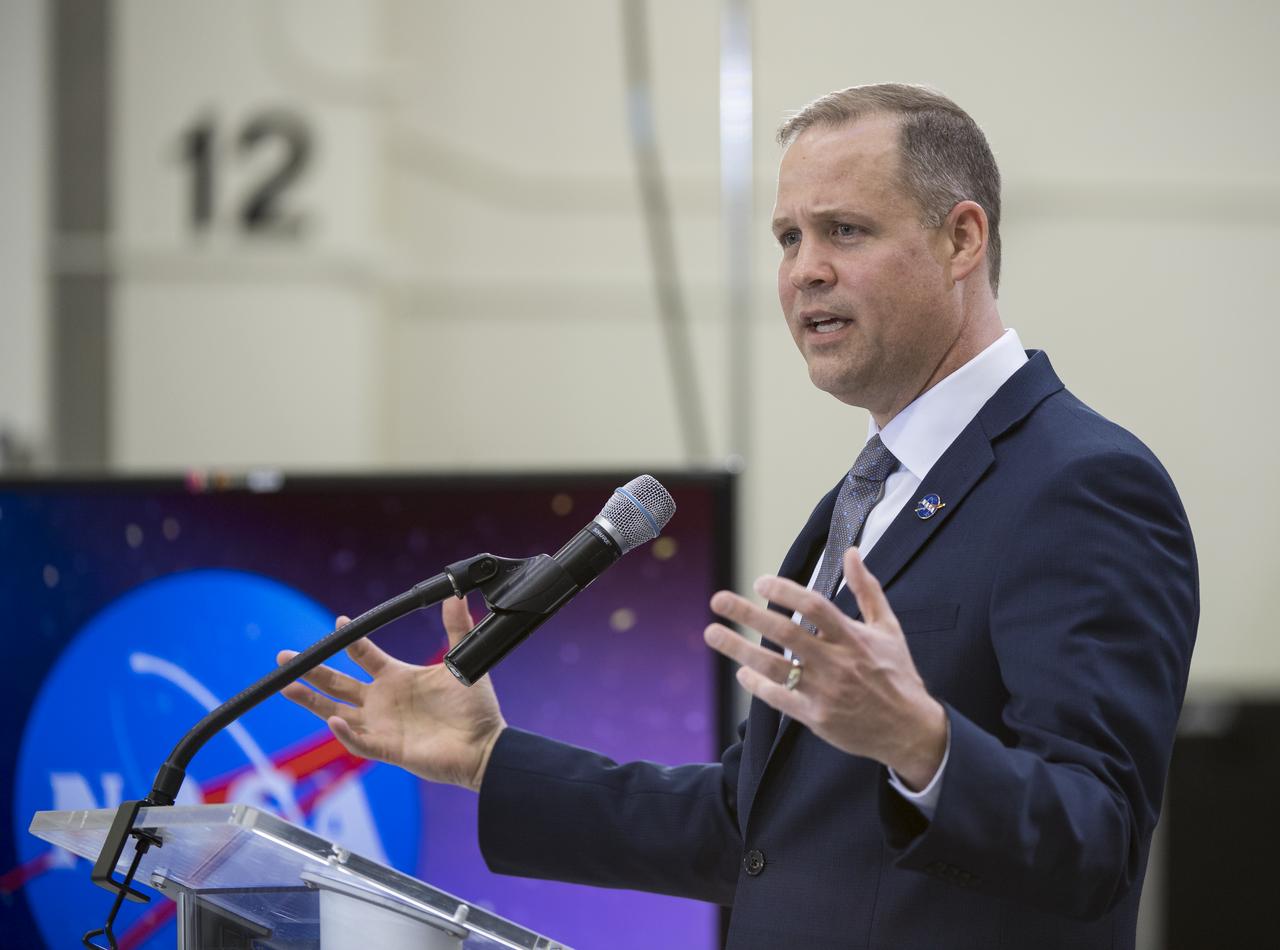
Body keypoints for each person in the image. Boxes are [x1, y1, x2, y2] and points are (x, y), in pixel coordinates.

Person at [278, 84, 1198, 949]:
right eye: (788, 238)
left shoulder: (1082, 484)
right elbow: (755, 830)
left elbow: (1098, 840)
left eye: (844, 230)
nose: (805, 272)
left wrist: (923, 745)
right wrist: (487, 758)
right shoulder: (866, 493)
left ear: (962, 239)